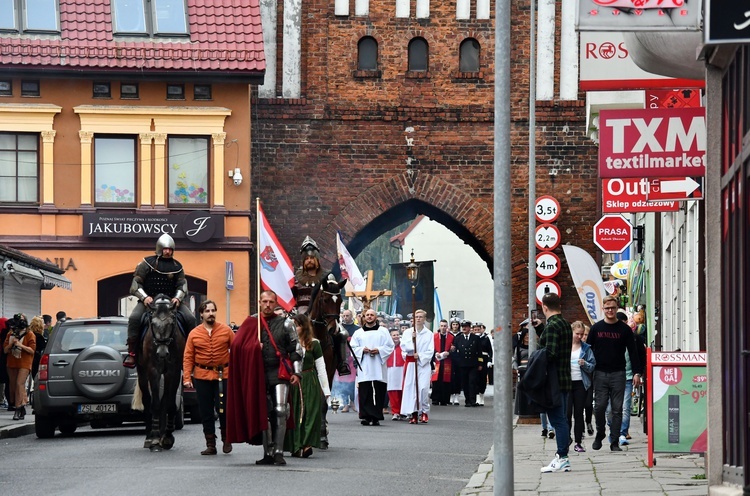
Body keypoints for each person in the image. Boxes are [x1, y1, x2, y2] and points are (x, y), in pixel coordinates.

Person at [226, 290, 302, 466]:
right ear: (259, 302)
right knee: (264, 412)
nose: (267, 305)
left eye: (271, 302)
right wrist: (253, 347)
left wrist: (297, 373)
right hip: (258, 372)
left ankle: (279, 451)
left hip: (279, 372)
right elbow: (236, 346)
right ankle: (267, 451)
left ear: (276, 303)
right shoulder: (251, 322)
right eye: (264, 301)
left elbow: (296, 349)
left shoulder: (286, 323)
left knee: (281, 410)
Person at [123, 234, 195, 368]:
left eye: (170, 249)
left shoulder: (177, 266)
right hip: (149, 302)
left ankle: (193, 354)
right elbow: (135, 285)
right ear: (159, 248)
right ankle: (132, 353)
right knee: (134, 318)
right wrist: (144, 297)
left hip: (172, 303)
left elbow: (182, 286)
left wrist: (177, 298)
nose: (167, 252)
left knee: (190, 318)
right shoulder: (146, 263)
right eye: (165, 249)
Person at [587, 295, 643, 452]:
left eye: (612, 308)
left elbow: (633, 353)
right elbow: (588, 351)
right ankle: (600, 433)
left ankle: (615, 441)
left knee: (617, 409)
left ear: (616, 308)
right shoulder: (596, 329)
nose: (610, 310)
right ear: (603, 309)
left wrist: (637, 372)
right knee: (599, 407)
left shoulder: (624, 330)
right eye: (607, 308)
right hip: (599, 373)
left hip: (619, 373)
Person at [183, 300, 234, 455]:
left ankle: (226, 439)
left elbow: (237, 349)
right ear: (201, 314)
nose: (210, 313)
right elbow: (188, 356)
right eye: (207, 311)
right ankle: (210, 444)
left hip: (223, 375)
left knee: (224, 409)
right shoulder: (194, 333)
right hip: (202, 376)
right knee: (205, 411)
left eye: (213, 310)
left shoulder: (226, 330)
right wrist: (187, 377)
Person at [284, 314, 331, 458]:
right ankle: (295, 446)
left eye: (297, 325)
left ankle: (306, 444)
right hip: (293, 381)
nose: (294, 328)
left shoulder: (314, 343)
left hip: (309, 380)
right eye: (293, 325)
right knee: (295, 413)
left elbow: (321, 368)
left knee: (311, 413)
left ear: (304, 326)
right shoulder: (287, 343)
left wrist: (326, 390)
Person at [538, 293, 573, 474]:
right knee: (563, 419)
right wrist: (540, 331)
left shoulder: (552, 326)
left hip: (553, 382)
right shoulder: (565, 324)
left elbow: (550, 352)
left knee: (557, 420)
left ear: (544, 307)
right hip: (565, 378)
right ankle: (563, 456)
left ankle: (562, 457)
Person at [350, 308, 394, 426]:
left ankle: (376, 416)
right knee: (365, 391)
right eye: (367, 315)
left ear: (375, 317)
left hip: (379, 365)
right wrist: (361, 350)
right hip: (365, 365)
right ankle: (366, 416)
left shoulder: (383, 331)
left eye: (372, 315)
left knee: (379, 391)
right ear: (364, 317)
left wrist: (379, 350)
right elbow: (352, 348)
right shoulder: (358, 333)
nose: (369, 317)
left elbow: (390, 346)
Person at [400, 309, 435, 424]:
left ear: (424, 319)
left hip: (423, 365)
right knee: (411, 389)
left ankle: (424, 411)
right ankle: (413, 412)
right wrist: (412, 339)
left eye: (421, 317)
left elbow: (431, 351)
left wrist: (419, 355)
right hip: (411, 365)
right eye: (416, 316)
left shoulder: (429, 334)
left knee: (423, 389)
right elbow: (404, 347)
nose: (418, 319)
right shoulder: (408, 332)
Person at [567, 321, 596, 453]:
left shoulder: (586, 348)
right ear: (571, 332)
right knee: (566, 414)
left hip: (580, 383)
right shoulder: (565, 346)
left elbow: (592, 366)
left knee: (578, 413)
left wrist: (584, 363)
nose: (579, 336)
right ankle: (566, 439)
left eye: (582, 334)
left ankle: (578, 442)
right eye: (577, 334)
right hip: (566, 383)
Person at [3, 313, 36, 420]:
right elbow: (5, 350)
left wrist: (21, 345)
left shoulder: (30, 334)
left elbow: (32, 350)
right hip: (12, 363)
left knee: (19, 384)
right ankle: (22, 407)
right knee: (13, 386)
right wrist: (12, 344)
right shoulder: (10, 334)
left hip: (24, 363)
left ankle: (17, 409)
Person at [331, 309, 359, 413]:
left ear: (352, 316)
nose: (346, 317)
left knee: (352, 382)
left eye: (348, 315)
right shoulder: (339, 328)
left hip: (352, 359)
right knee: (342, 380)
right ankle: (345, 403)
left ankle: (352, 402)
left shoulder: (357, 329)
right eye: (344, 316)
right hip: (342, 358)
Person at [453, 319, 481, 407]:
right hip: (462, 364)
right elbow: (455, 351)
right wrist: (457, 362)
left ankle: (473, 400)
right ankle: (467, 400)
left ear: (469, 328)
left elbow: (479, 351)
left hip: (473, 364)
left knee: (472, 382)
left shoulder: (476, 338)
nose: (464, 328)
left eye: (466, 327)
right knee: (465, 383)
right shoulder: (458, 339)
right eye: (463, 327)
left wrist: (480, 364)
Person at [431, 319, 454, 406]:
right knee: (436, 380)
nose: (443, 328)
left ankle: (444, 399)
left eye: (445, 326)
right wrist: (435, 353)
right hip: (437, 361)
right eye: (442, 326)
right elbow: (430, 347)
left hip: (447, 361)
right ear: (439, 327)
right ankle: (435, 399)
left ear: (447, 327)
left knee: (446, 380)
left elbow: (454, 349)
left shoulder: (451, 337)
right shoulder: (434, 336)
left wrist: (449, 352)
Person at [386, 329, 405, 420]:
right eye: (394, 335)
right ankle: (395, 412)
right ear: (390, 337)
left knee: (402, 391)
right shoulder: (387, 346)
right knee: (392, 391)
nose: (396, 337)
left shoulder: (404, 345)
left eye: (397, 335)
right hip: (390, 370)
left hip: (401, 369)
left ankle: (403, 411)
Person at [474, 322, 493, 406]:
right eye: (475, 329)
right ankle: (477, 396)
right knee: (475, 379)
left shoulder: (486, 338)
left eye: (478, 329)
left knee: (483, 379)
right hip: (475, 360)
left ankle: (482, 394)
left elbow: (489, 350)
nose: (477, 331)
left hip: (484, 360)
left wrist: (489, 360)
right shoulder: (473, 338)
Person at [582, 324, 595, 436]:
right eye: (582, 335)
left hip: (588, 381)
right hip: (576, 381)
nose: (583, 337)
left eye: (586, 334)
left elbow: (592, 365)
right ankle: (580, 427)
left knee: (588, 404)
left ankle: (589, 422)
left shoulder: (589, 349)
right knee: (578, 406)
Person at [447, 318, 463, 405]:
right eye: (453, 324)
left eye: (457, 324)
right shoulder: (448, 335)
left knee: (458, 377)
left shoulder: (460, 335)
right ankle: (450, 395)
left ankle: (457, 395)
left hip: (458, 358)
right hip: (450, 358)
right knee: (450, 377)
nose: (455, 326)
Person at [29, 316, 47, 392]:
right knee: (36, 377)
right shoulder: (39, 337)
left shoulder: (29, 335)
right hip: (36, 358)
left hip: (29, 358)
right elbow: (44, 347)